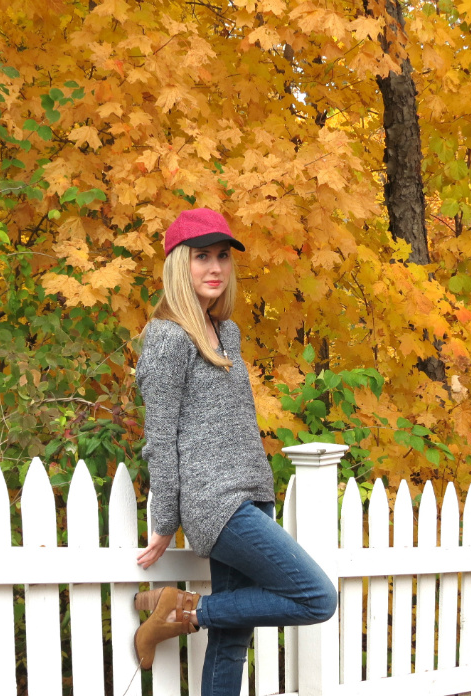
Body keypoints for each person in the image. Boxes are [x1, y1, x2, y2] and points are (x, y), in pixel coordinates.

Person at [133, 208, 337, 696]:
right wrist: (164, 522)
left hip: (250, 493)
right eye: (201, 256)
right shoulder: (166, 337)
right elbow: (161, 438)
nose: (215, 268)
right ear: (177, 265)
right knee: (316, 597)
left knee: (229, 644)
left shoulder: (226, 333)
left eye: (222, 256)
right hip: (216, 505)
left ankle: (183, 612)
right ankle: (181, 610)